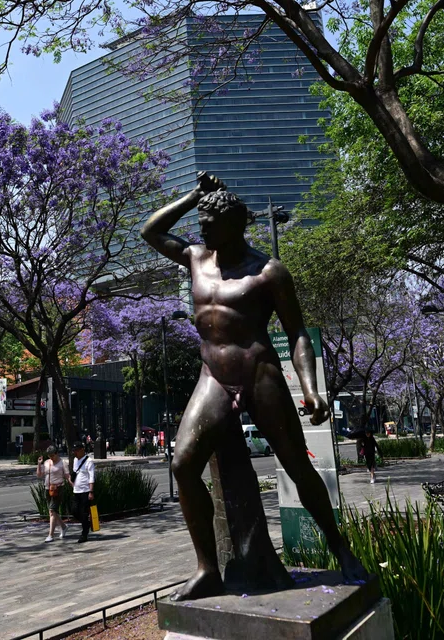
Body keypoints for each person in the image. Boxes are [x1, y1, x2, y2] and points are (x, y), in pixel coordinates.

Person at [140, 172, 367, 599]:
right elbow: (150, 231)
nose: (202, 228)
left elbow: (297, 332)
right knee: (183, 465)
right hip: (214, 378)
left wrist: (310, 387)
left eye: (210, 221)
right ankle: (207, 568)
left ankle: (341, 549)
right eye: (201, 221)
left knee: (298, 466)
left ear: (237, 223)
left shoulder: (269, 272)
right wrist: (193, 196)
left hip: (260, 374)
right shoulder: (195, 258)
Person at [36, 445, 72, 542]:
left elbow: (67, 475)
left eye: (52, 455)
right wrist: (39, 464)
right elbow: (39, 475)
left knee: (52, 511)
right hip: (48, 488)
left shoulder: (62, 463)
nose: (51, 457)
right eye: (49, 456)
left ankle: (50, 535)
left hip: (58, 488)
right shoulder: (47, 462)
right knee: (53, 511)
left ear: (57, 453)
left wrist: (72, 484)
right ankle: (64, 527)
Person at [71, 441, 96, 543]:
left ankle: (84, 534)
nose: (75, 453)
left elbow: (91, 477)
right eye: (74, 451)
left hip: (85, 491)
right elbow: (75, 473)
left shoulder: (89, 461)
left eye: (76, 450)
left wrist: (91, 491)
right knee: (74, 510)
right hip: (76, 490)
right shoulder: (75, 460)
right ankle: (87, 524)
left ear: (82, 450)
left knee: (84, 512)